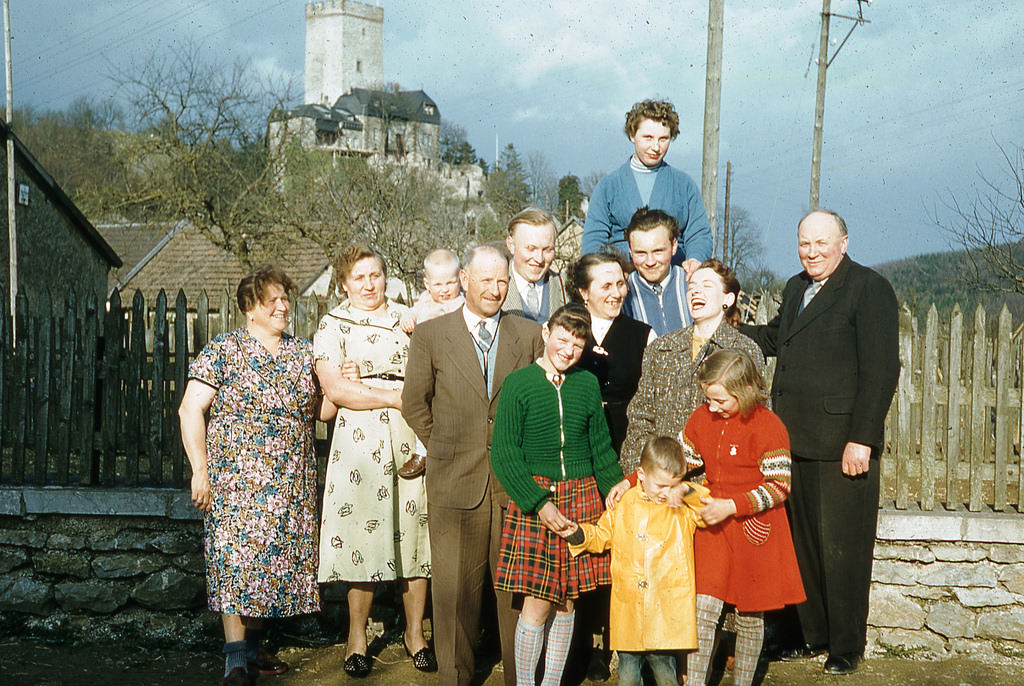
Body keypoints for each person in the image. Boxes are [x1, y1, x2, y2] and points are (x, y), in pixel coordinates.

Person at [738, 209, 899, 675]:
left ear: (843, 243)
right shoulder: (795, 288)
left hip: (839, 445)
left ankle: (846, 645)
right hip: (791, 439)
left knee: (842, 548)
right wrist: (721, 328)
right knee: (801, 546)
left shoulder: (869, 289)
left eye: (822, 243)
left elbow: (880, 370)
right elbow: (775, 338)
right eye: (804, 243)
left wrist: (861, 440)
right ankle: (807, 636)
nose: (812, 252)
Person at [179, 265, 333, 686]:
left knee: (273, 566)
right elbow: (190, 409)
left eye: (286, 298)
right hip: (236, 482)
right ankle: (234, 659)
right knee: (234, 562)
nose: (283, 306)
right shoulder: (224, 350)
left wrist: (342, 386)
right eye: (273, 300)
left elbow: (320, 412)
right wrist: (199, 471)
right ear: (250, 308)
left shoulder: (303, 354)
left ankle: (253, 647)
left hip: (289, 484)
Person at [402, 244, 545, 686]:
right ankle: (455, 677)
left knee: (513, 593)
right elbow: (413, 403)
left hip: (512, 483)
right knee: (453, 594)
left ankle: (519, 677)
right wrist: (444, 445)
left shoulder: (529, 334)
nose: (495, 289)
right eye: (485, 280)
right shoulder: (431, 335)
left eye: (502, 280)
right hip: (453, 481)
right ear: (464, 279)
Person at [314, 245, 434, 678]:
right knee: (363, 532)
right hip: (358, 445)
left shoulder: (409, 319)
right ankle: (357, 637)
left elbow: (433, 371)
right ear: (344, 283)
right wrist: (391, 396)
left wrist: (397, 398)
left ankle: (415, 633)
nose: (369, 284)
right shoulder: (332, 324)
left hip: (411, 434)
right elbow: (338, 392)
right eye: (359, 277)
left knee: (415, 532)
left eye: (376, 275)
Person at [490, 303, 624, 686]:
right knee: (537, 602)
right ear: (546, 333)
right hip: (537, 500)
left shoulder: (586, 384)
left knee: (567, 603)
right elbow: (505, 453)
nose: (568, 350)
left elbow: (600, 446)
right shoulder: (518, 384)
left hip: (581, 497)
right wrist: (538, 503)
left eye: (577, 345)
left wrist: (613, 484)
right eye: (562, 339)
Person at [681, 349, 805, 686]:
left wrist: (733, 506)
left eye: (720, 400)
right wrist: (639, 480)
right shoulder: (701, 419)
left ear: (746, 391)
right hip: (715, 530)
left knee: (750, 616)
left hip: (755, 530)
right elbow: (677, 461)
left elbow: (779, 487)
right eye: (708, 399)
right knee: (703, 612)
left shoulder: (768, 426)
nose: (712, 407)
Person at [567, 248, 653, 682]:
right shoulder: (567, 333)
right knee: (582, 538)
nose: (617, 292)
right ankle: (577, 642)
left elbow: (651, 398)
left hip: (623, 441)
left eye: (621, 283)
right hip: (578, 444)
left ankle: (605, 645)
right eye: (606, 285)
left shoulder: (642, 334)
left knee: (618, 543)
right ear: (584, 292)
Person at [564, 436, 707, 686]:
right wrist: (580, 534)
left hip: (665, 612)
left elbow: (707, 508)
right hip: (629, 609)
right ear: (641, 474)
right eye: (661, 485)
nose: (666, 492)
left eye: (673, 485)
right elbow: (602, 535)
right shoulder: (624, 503)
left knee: (665, 672)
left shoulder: (682, 506)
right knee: (628, 674)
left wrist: (685, 490)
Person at [619, 259, 765, 474]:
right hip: (661, 480)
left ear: (728, 298)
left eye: (706, 286)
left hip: (718, 483)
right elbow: (640, 416)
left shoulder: (744, 351)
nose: (695, 292)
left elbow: (757, 422)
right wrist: (647, 471)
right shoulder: (661, 349)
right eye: (691, 287)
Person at [581, 99, 712, 274]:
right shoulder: (608, 187)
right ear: (632, 135)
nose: (656, 147)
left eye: (663, 139)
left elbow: (699, 233)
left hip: (673, 277)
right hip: (622, 281)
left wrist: (695, 260)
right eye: (648, 138)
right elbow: (593, 241)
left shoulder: (684, 185)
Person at [622, 207, 692, 336]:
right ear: (630, 251)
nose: (650, 262)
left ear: (674, 246)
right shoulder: (623, 292)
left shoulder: (691, 284)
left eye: (658, 251)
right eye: (641, 253)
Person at [502, 207, 567, 323]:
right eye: (531, 248)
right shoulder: (492, 288)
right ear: (511, 245)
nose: (539, 259)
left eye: (547, 250)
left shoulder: (567, 288)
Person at [400, 248, 465, 334]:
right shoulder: (425, 300)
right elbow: (413, 312)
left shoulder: (461, 304)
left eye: (450, 283)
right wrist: (408, 319)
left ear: (460, 281)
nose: (445, 290)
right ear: (427, 284)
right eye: (438, 284)